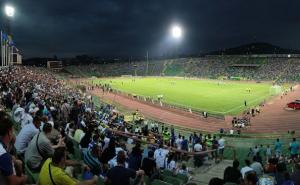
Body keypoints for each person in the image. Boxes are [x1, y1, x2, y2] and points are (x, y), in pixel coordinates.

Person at [0, 111, 27, 185]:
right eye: (12, 131)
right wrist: (24, 178)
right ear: (9, 132)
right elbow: (13, 182)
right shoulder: (4, 156)